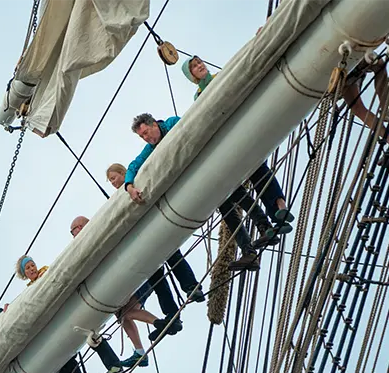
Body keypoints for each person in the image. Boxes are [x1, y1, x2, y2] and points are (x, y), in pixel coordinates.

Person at [124, 111, 265, 273]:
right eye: (142, 137)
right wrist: (129, 186)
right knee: (229, 214)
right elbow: (134, 165)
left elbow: (189, 133)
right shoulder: (151, 149)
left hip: (211, 166)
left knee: (238, 195)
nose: (146, 138)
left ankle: (263, 225)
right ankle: (249, 252)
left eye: (146, 133)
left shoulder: (172, 124)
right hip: (203, 180)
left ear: (154, 124)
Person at [181, 55, 295, 253]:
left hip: (240, 131)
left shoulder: (219, 78)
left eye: (199, 62)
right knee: (259, 172)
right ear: (191, 76)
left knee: (259, 172)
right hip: (233, 139)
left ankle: (279, 210)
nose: (199, 66)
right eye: (194, 67)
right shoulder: (200, 96)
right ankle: (277, 213)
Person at [70, 215, 174, 367]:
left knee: (126, 312)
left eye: (72, 231)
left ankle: (160, 324)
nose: (72, 236)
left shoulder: (94, 239)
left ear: (79, 228)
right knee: (123, 314)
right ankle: (141, 350)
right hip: (138, 276)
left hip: (141, 274)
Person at [105, 163, 205, 304]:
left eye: (114, 178)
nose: (113, 182)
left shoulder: (136, 181)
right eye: (110, 181)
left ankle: (192, 288)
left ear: (123, 173)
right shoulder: (116, 199)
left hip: (154, 227)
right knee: (155, 276)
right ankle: (171, 312)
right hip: (142, 237)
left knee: (173, 258)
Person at [341, 51, 389, 162]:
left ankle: (386, 112)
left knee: (358, 109)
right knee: (378, 64)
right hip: (350, 71)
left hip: (350, 62)